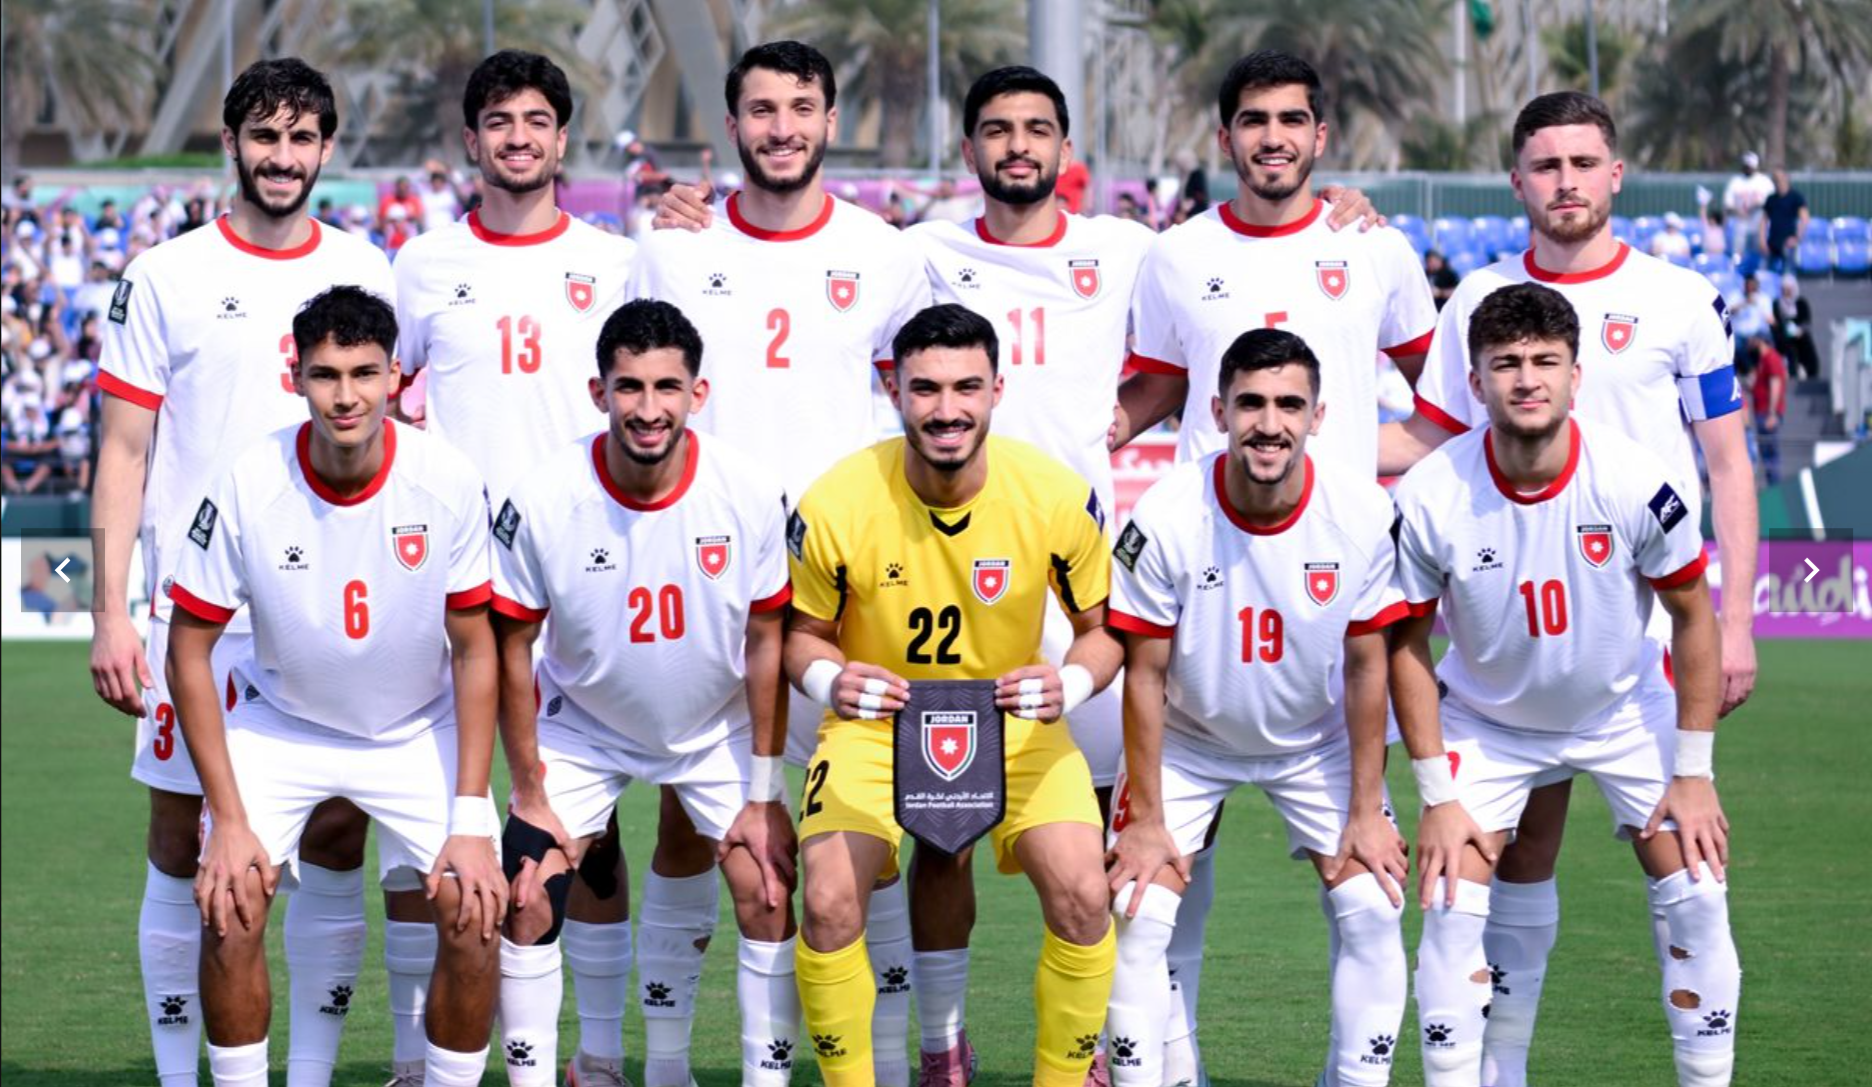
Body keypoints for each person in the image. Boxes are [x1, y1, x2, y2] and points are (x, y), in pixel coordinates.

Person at [1380, 91, 1755, 1087]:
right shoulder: (1477, 298)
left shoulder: (1678, 298)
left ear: (1616, 173)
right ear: (1517, 180)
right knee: (1503, 869)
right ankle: (1494, 1070)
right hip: (1500, 640)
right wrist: (1277, 443)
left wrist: (1739, 624)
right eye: (1546, 165)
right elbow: (1426, 440)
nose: (1567, 182)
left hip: (1632, 643)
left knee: (1694, 879)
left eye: (1585, 163)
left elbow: (1728, 463)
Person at [1109, 50, 1434, 1080]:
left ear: (1321, 136)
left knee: (1374, 897)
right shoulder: (1176, 256)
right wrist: (1077, 442)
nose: (1274, 137)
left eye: (1293, 119)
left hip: (1323, 613)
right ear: (1225, 137)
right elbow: (1153, 387)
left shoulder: (1374, 248)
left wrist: (1358, 476)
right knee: (1151, 898)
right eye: (1254, 120)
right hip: (1204, 600)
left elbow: (1442, 402)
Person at [625, 40, 931, 1087]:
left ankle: (886, 1060)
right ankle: (667, 1064)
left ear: (831, 120)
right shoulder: (674, 248)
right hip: (709, 579)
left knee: (865, 829)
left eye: (802, 106)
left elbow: (925, 401)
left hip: (844, 585)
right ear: (732, 125)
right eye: (762, 109)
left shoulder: (884, 253)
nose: (783, 127)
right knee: (687, 816)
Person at [89, 58, 395, 1087]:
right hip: (201, 619)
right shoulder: (165, 275)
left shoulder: (364, 267)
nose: (282, 156)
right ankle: (186, 1077)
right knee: (183, 840)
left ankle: (307, 1074)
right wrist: (110, 612)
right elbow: (123, 450)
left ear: (326, 149)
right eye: (264, 136)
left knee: (338, 838)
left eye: (302, 137)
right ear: (231, 144)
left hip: (332, 613)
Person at [166, 285, 505, 1087]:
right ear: (296, 377)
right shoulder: (249, 479)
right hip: (283, 724)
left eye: (363, 373)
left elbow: (474, 648)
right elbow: (188, 648)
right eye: (325, 374)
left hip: (417, 728)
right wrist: (230, 820)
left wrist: (469, 814)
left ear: (396, 378)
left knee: (475, 909)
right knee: (229, 901)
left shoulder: (447, 478)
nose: (345, 396)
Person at [784, 303, 1123, 1087]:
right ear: (894, 390)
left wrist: (1069, 680)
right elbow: (801, 635)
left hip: (1012, 723)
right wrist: (834, 677)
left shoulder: (1053, 494)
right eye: (926, 388)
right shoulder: (837, 500)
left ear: (997, 390)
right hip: (878, 727)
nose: (947, 409)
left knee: (1084, 892)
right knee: (829, 901)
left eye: (967, 387)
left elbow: (1105, 631)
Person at [392, 48, 641, 1086]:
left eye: (537, 120)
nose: (519, 137)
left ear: (563, 138)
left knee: (591, 831)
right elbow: (385, 391)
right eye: (499, 121)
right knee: (426, 825)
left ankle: (599, 1053)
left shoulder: (617, 263)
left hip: (582, 577)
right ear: (471, 140)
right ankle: (416, 1056)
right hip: (451, 584)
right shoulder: (420, 264)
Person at [490, 298, 799, 1087]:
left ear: (699, 393)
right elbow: (511, 647)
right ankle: (582, 1066)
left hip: (714, 725)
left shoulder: (749, 492)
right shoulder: (544, 497)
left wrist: (765, 792)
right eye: (629, 386)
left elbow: (767, 641)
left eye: (668, 387)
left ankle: (696, 1073)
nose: (649, 408)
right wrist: (529, 791)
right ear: (599, 391)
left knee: (768, 888)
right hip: (581, 726)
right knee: (526, 895)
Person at [1103, 328, 1409, 1087]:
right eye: (1250, 404)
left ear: (1317, 416)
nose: (1269, 424)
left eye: (1288, 405)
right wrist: (1145, 818)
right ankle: (1165, 1074)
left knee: (1375, 905)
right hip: (1188, 739)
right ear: (1218, 411)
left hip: (1314, 743)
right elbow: (1143, 676)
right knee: (1138, 912)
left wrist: (1366, 809)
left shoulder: (1362, 512)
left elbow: (1368, 667)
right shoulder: (1166, 514)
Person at [1721, 152, 1774, 270]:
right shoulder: (1736, 181)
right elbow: (1727, 204)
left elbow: (1772, 203)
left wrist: (1757, 205)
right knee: (1738, 252)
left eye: (1750, 166)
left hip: (1759, 224)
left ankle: (1760, 273)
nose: (1748, 169)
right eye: (1746, 166)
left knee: (1759, 252)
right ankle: (1737, 272)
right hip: (1740, 223)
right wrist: (1737, 210)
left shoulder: (1764, 181)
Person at [1745, 335, 1787, 485]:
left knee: (1771, 454)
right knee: (1766, 454)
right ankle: (1772, 484)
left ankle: (1775, 486)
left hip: (1767, 413)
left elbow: (1776, 383)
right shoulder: (1762, 360)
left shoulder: (1771, 358)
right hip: (1762, 412)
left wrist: (1772, 413)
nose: (1749, 343)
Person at [1758, 169, 1808, 275]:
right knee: (1767, 274)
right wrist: (1762, 240)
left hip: (1788, 244)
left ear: (1786, 178)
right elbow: (1763, 221)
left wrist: (1797, 238)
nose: (1778, 182)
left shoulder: (1796, 197)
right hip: (1772, 243)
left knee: (1788, 275)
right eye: (1775, 180)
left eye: (1780, 179)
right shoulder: (1771, 199)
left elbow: (1804, 219)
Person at [1770, 275, 1819, 379]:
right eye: (1784, 289)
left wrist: (1800, 330)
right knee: (1787, 345)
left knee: (1806, 342)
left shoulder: (1801, 302)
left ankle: (1809, 369)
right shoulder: (1777, 303)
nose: (1786, 292)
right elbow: (1776, 322)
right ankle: (1792, 370)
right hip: (1783, 334)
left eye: (1788, 289)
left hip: (1799, 333)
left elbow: (1806, 321)